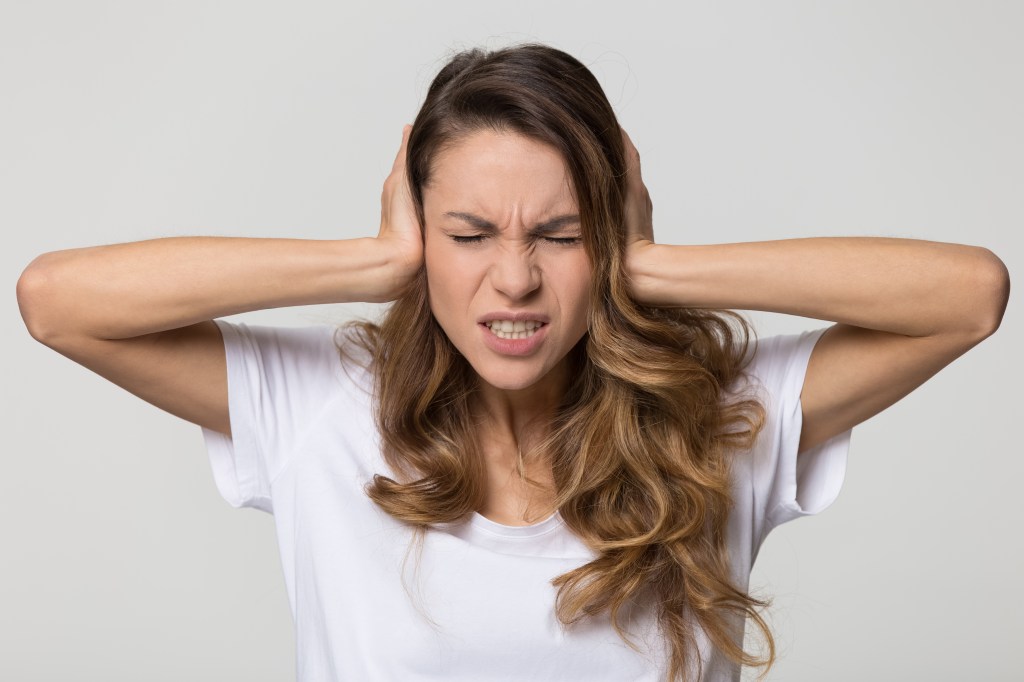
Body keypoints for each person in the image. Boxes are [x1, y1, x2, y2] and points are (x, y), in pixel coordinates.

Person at [16, 43, 1009, 682]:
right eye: (470, 233)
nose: (515, 279)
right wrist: (373, 260)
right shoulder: (321, 409)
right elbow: (56, 302)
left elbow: (967, 297)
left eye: (561, 234)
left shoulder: (707, 420)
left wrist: (649, 264)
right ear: (423, 237)